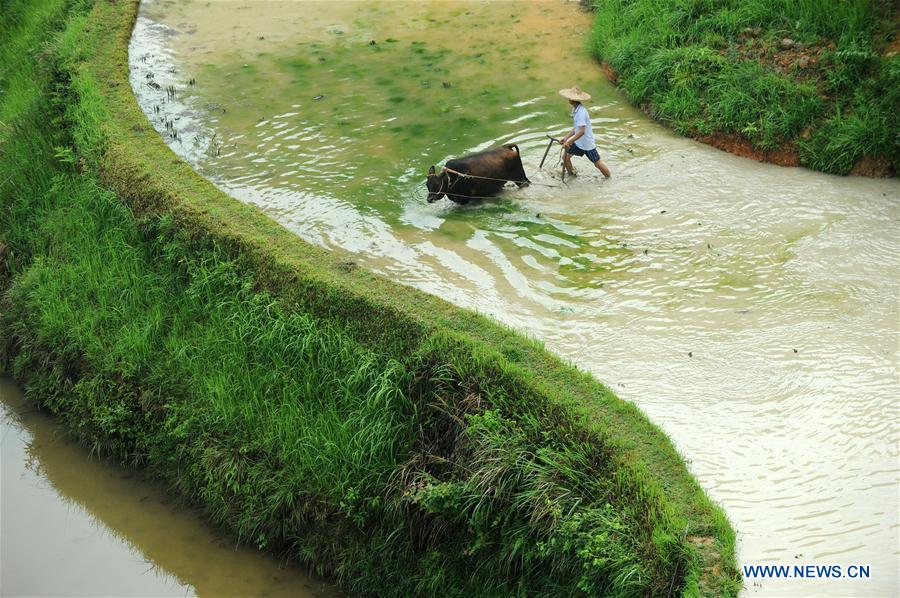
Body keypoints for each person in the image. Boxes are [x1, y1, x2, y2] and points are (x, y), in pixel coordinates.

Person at [557, 86, 611, 179]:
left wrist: (569, 142)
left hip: (587, 144)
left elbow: (582, 131)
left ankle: (609, 178)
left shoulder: (581, 112)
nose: (568, 100)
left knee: (597, 163)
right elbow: (576, 128)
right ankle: (571, 175)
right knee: (565, 158)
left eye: (569, 98)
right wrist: (566, 137)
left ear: (572, 100)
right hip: (578, 142)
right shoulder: (575, 109)